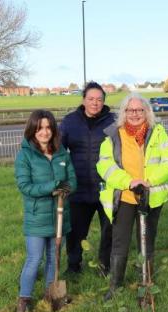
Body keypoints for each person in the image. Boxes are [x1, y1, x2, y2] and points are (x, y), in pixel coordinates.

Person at [96, 93, 168, 301]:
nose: (135, 114)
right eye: (130, 110)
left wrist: (147, 181)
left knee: (147, 242)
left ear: (147, 112)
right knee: (120, 242)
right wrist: (128, 182)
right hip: (124, 197)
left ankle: (146, 284)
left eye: (139, 110)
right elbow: (105, 165)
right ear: (124, 113)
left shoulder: (158, 134)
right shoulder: (113, 135)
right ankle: (115, 286)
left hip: (150, 196)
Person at [14, 110, 77, 312]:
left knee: (54, 257)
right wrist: (52, 187)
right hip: (37, 218)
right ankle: (24, 299)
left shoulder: (61, 153)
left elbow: (72, 180)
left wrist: (67, 189)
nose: (44, 132)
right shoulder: (25, 155)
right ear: (33, 129)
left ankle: (50, 295)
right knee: (34, 259)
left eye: (48, 127)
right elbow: (25, 186)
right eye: (40, 127)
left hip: (60, 215)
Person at [59, 82, 115, 276]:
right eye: (91, 99)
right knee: (75, 232)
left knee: (109, 231)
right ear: (83, 100)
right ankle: (74, 266)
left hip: (106, 187)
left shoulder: (114, 122)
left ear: (104, 102)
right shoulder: (69, 122)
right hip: (78, 188)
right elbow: (58, 151)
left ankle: (104, 266)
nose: (95, 103)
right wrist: (61, 177)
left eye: (99, 99)